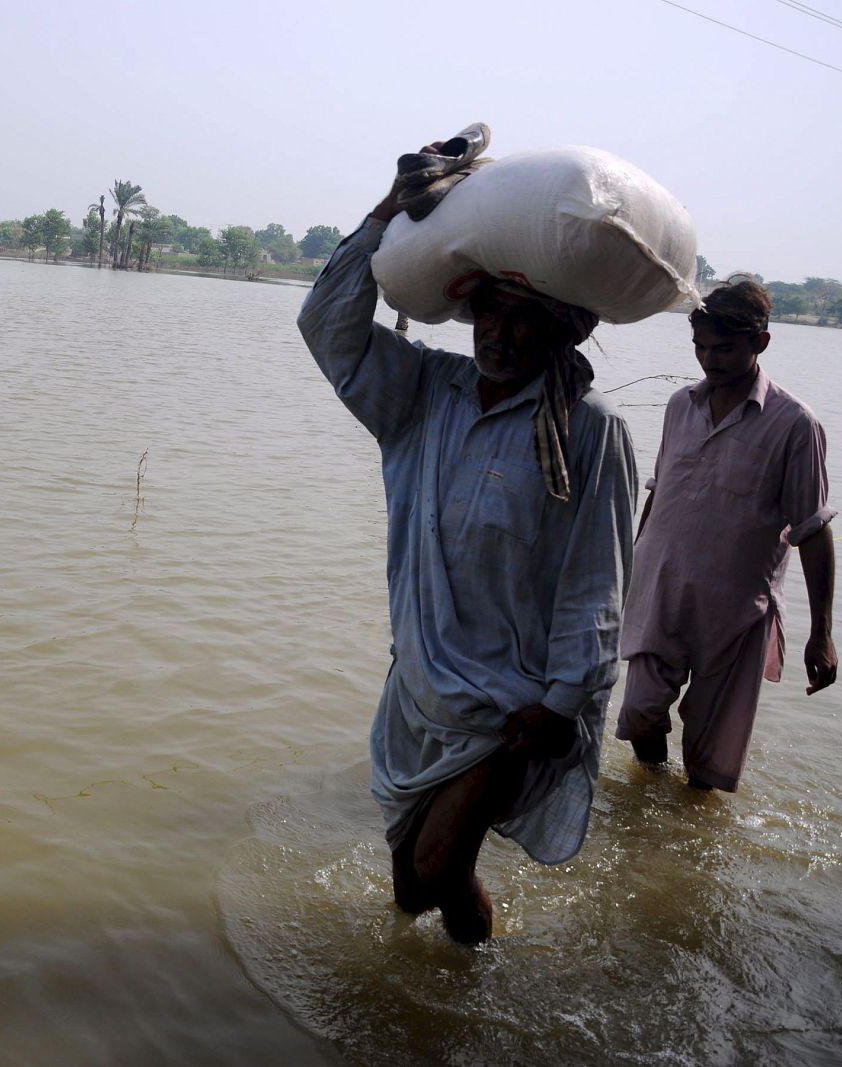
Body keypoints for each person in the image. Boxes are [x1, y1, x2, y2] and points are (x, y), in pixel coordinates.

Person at [296, 146, 638, 944]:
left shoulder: (590, 432)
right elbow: (326, 326)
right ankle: (448, 989)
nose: (502, 334)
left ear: (559, 332)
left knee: (438, 865)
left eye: (525, 320)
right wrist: (387, 210)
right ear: (469, 312)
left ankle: (473, 975)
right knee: (410, 890)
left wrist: (563, 702)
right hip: (419, 684)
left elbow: (596, 581)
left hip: (513, 706)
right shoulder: (424, 393)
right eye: (490, 312)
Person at [617, 281, 838, 790]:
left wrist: (822, 631)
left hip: (736, 612)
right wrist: (630, 571)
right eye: (700, 347)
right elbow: (660, 493)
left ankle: (690, 813)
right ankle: (649, 802)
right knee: (641, 712)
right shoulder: (680, 405)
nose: (708, 360)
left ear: (761, 343)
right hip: (661, 593)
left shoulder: (795, 424)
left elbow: (812, 531)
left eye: (723, 349)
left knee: (708, 754)